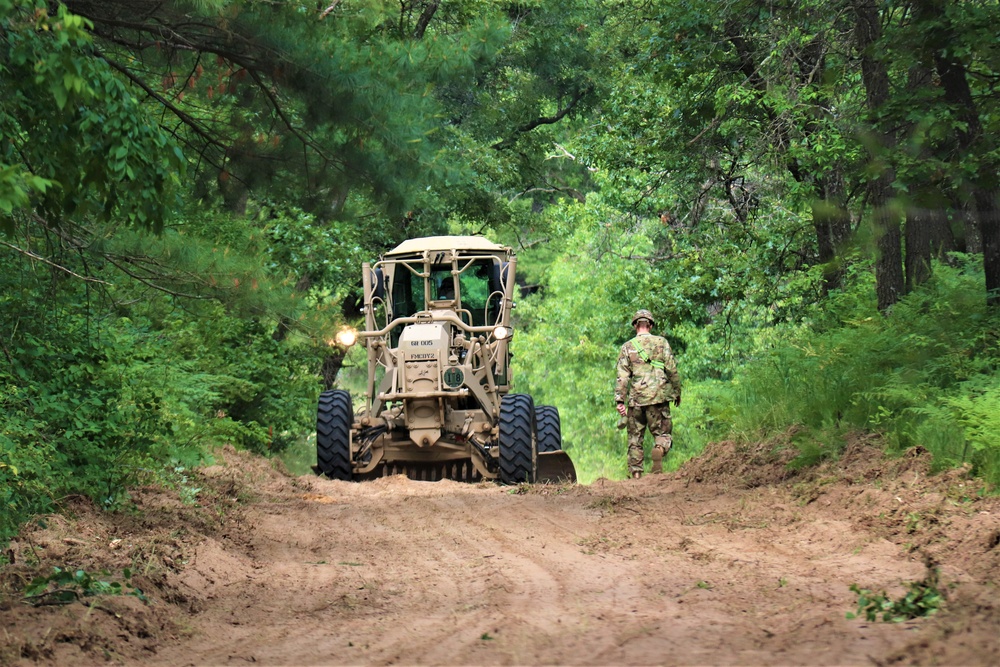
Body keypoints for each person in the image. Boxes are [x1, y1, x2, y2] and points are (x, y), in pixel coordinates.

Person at [614, 309, 681, 479]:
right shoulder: (661, 343)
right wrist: (676, 391)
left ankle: (636, 474)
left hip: (636, 399)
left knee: (635, 438)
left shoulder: (627, 347)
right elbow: (671, 369)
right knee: (663, 433)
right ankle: (659, 449)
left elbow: (622, 377)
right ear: (650, 325)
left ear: (635, 325)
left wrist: (619, 401)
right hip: (658, 397)